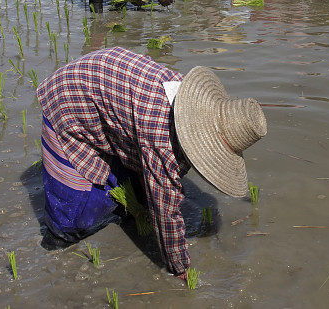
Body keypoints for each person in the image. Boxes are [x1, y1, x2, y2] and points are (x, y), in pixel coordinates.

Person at [36, 47, 267, 279]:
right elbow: (165, 211)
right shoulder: (161, 140)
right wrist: (179, 268)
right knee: (75, 210)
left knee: (135, 182)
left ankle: (125, 208)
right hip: (66, 99)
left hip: (101, 84)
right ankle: (55, 246)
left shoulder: (186, 95)